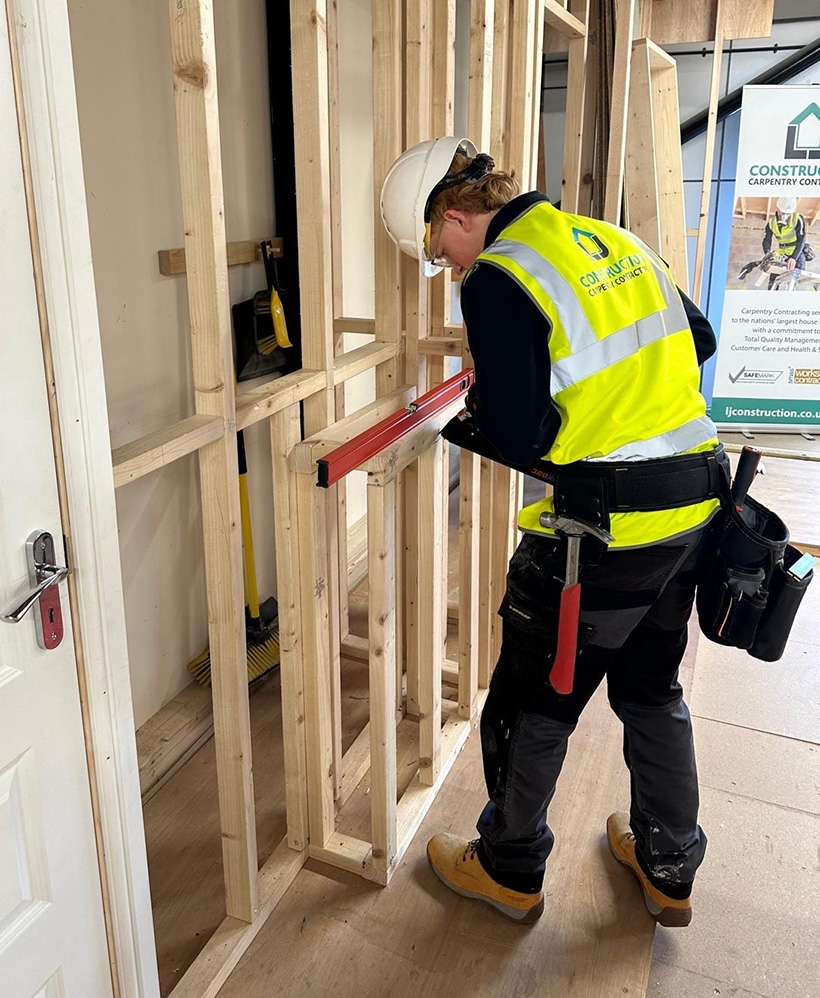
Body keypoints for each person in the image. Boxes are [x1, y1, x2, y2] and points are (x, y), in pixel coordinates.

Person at [380, 136, 726, 928]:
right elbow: (696, 341)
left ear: (458, 215)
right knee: (653, 688)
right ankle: (668, 865)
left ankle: (507, 869)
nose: (451, 268)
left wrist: (472, 424)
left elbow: (524, 435)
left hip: (600, 533)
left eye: (442, 251)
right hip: (689, 513)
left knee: (533, 701)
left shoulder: (500, 280)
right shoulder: (611, 238)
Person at [763, 196, 807, 287]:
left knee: (794, 280)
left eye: (788, 213)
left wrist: (794, 258)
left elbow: (802, 239)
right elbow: (767, 239)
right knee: (773, 280)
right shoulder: (771, 223)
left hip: (796, 252)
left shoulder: (798, 219)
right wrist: (768, 253)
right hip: (781, 252)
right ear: (778, 208)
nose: (785, 215)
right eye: (783, 212)